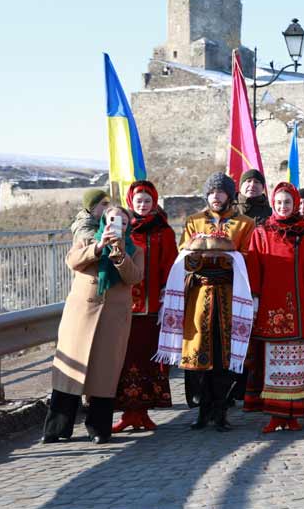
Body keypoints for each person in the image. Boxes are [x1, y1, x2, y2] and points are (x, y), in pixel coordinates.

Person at [43, 205, 143, 444]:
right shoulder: (86, 240)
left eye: (123, 222)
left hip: (113, 317)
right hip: (80, 315)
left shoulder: (135, 249)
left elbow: (134, 277)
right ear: (103, 222)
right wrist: (98, 247)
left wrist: (118, 251)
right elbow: (73, 261)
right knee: (68, 372)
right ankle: (57, 428)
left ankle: (98, 429)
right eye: (111, 220)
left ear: (128, 227)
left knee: (104, 375)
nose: (116, 225)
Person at [244, 183, 304, 432]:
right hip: (270, 311)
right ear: (273, 204)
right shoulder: (261, 233)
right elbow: (255, 269)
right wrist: (255, 303)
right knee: (272, 363)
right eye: (280, 202)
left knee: (297, 365)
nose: (284, 207)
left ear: (296, 204)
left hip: (300, 312)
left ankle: (292, 414)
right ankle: (275, 415)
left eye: (288, 202)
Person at [174, 172, 255, 431]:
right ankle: (202, 410)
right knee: (200, 357)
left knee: (224, 356)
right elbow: (184, 257)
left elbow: (249, 257)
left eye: (221, 192)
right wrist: (200, 254)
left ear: (229, 195)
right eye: (211, 192)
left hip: (230, 295)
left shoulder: (244, 224)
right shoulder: (194, 221)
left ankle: (220, 410)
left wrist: (228, 255)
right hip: (200, 296)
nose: (216, 197)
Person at [112, 181, 177, 433]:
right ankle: (128, 413)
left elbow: (169, 266)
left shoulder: (164, 231)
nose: (142, 205)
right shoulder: (122, 230)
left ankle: (144, 413)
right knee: (125, 360)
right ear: (131, 203)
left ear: (154, 203)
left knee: (148, 359)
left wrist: (165, 298)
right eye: (138, 201)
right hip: (125, 306)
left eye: (147, 201)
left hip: (151, 307)